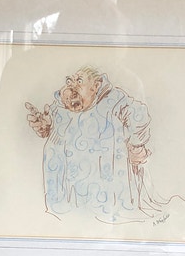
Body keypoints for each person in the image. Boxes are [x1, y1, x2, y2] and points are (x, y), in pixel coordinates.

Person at [25, 66, 167, 223]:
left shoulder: (113, 100)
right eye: (69, 81)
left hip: (104, 186)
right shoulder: (60, 105)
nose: (72, 86)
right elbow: (51, 128)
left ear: (96, 86)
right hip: (65, 189)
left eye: (79, 81)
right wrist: (44, 126)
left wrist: (136, 145)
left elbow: (138, 115)